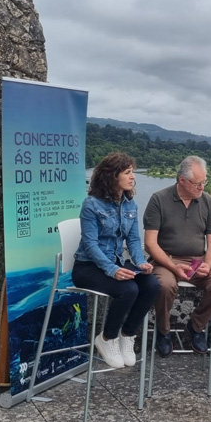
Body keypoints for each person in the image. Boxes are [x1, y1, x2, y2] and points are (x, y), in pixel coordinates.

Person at [73, 152, 160, 369]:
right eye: (128, 172)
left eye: (133, 172)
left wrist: (140, 263)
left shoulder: (130, 205)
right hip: (88, 267)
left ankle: (128, 334)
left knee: (151, 284)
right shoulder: (91, 204)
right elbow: (90, 244)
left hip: (116, 262)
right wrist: (112, 270)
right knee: (128, 290)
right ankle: (106, 339)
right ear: (113, 176)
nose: (133, 177)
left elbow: (133, 240)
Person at [144, 156, 211, 357]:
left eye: (204, 182)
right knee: (164, 285)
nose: (202, 187)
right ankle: (164, 331)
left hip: (198, 259)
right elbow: (150, 243)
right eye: (197, 183)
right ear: (181, 180)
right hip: (166, 259)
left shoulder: (207, 201)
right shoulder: (159, 199)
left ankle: (196, 326)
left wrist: (208, 264)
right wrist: (173, 266)